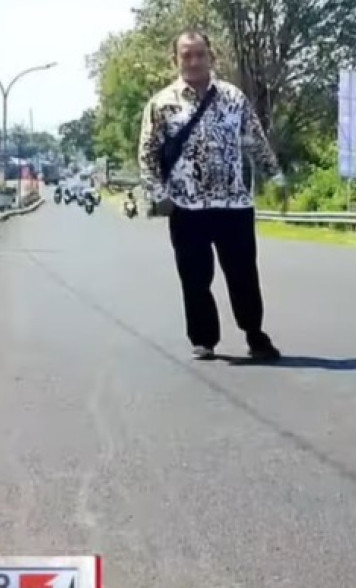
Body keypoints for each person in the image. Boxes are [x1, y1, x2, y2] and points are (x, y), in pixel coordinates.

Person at [137, 29, 286, 362]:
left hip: (234, 203)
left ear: (211, 57)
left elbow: (255, 141)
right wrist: (158, 193)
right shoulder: (161, 104)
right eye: (186, 55)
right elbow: (147, 153)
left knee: (244, 274)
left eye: (199, 54)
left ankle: (255, 334)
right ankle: (204, 339)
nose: (193, 61)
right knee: (194, 277)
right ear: (176, 60)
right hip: (187, 206)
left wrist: (275, 176)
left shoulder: (233, 97)